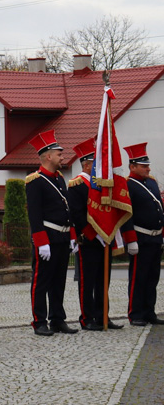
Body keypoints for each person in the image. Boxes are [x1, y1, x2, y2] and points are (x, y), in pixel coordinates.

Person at [68, 138, 132, 331]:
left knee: (103, 281)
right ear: (87, 164)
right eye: (95, 164)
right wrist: (93, 234)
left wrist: (107, 232)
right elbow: (77, 215)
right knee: (87, 282)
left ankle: (103, 315)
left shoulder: (102, 185)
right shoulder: (76, 184)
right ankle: (86, 318)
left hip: (105, 238)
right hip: (88, 240)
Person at [26, 130, 78, 336]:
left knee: (59, 281)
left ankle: (57, 318)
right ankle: (39, 320)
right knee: (41, 281)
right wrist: (41, 241)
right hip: (47, 237)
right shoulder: (35, 181)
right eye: (59, 153)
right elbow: (35, 214)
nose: (62, 157)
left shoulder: (59, 178)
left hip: (62, 237)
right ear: (48, 156)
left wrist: (72, 235)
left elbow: (68, 210)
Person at [124, 143, 164, 326]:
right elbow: (126, 215)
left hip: (155, 237)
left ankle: (149, 311)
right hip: (140, 238)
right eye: (143, 165)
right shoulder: (128, 185)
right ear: (133, 166)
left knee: (152, 277)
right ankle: (135, 313)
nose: (148, 168)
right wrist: (131, 240)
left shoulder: (152, 182)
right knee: (138, 277)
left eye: (148, 165)